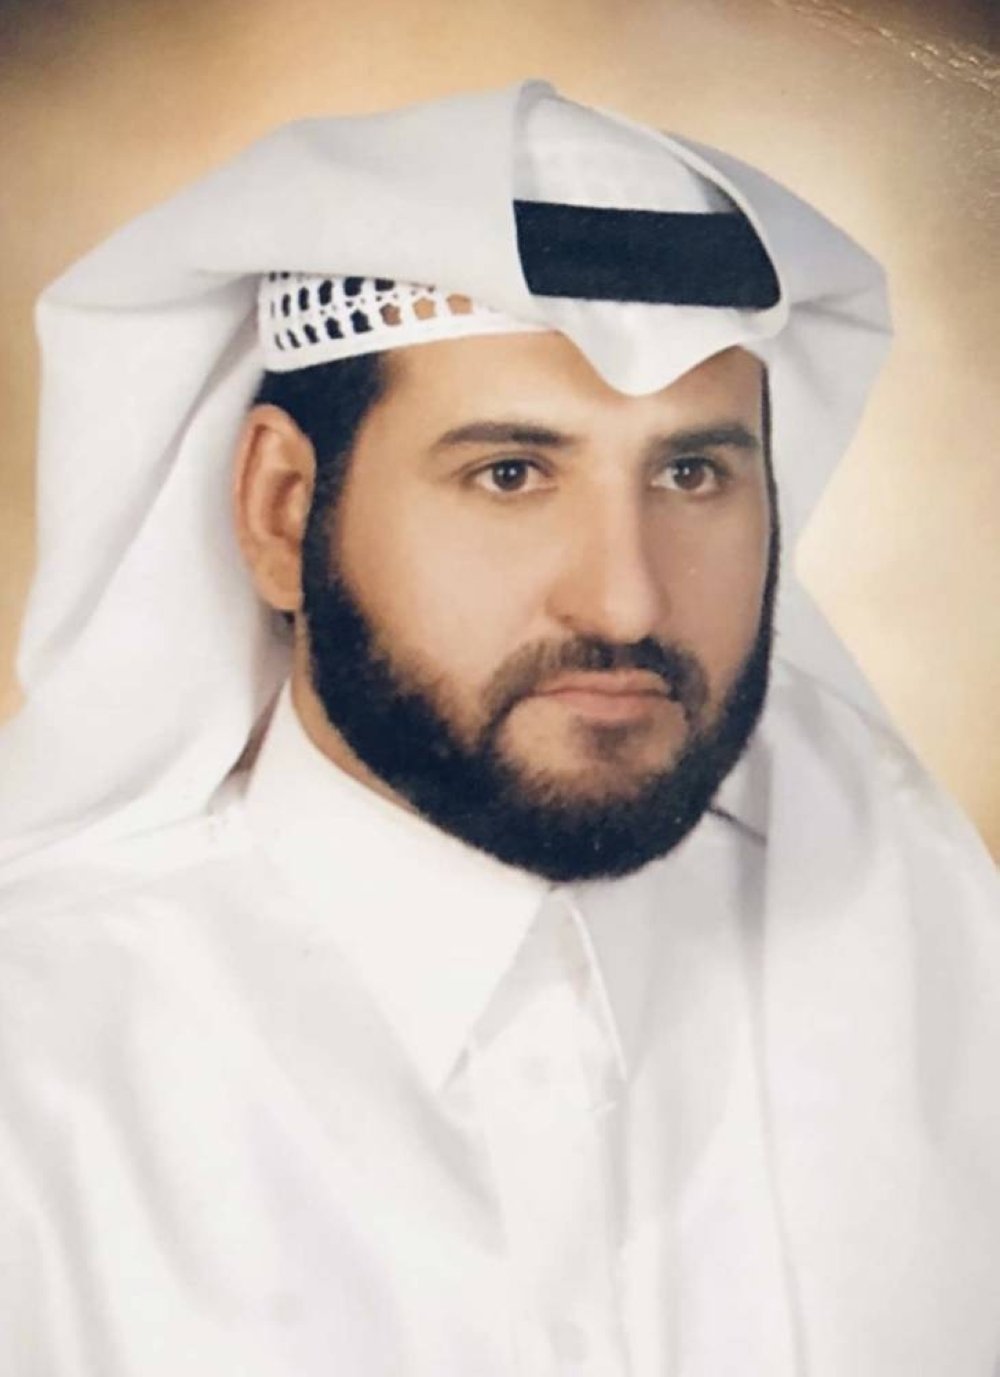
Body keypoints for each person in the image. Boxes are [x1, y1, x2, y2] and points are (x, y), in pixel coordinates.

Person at [0, 81, 997, 1377]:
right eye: (510, 474)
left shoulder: (935, 987)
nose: (626, 601)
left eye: (691, 473)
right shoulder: (42, 1072)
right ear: (283, 508)